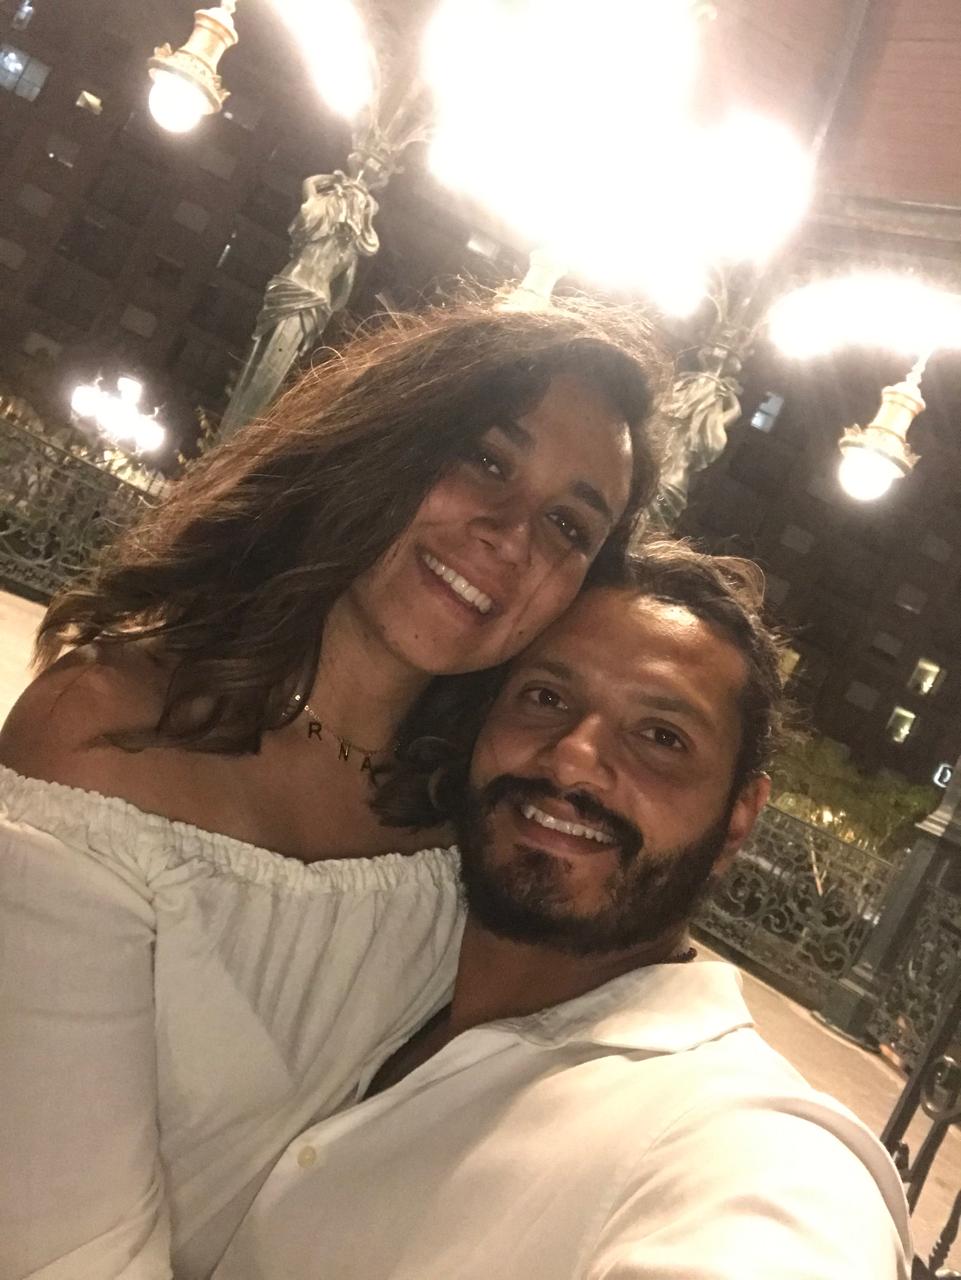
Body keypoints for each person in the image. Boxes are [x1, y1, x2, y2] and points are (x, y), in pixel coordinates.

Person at [0, 302, 661, 1280]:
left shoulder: (478, 831)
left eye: (568, 525)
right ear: (385, 444)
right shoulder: (108, 731)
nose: (511, 535)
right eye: (485, 459)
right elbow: (61, 1246)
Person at [213, 541, 912, 1280]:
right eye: (545, 698)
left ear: (737, 819)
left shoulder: (754, 1153)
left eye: (661, 737)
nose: (573, 758)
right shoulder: (367, 933)